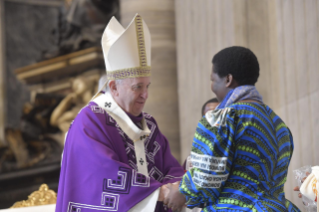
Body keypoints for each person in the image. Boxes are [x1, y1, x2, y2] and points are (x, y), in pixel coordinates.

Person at [55, 14, 184, 212]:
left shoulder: (149, 124)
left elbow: (170, 168)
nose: (145, 95)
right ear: (114, 87)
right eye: (138, 87)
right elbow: (102, 177)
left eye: (148, 86)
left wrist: (179, 186)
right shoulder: (89, 122)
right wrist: (164, 193)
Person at [163, 46, 301, 212]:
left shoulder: (222, 119)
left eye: (213, 80)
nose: (212, 86)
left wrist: (182, 191)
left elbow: (206, 177)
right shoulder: (279, 125)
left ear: (228, 79)